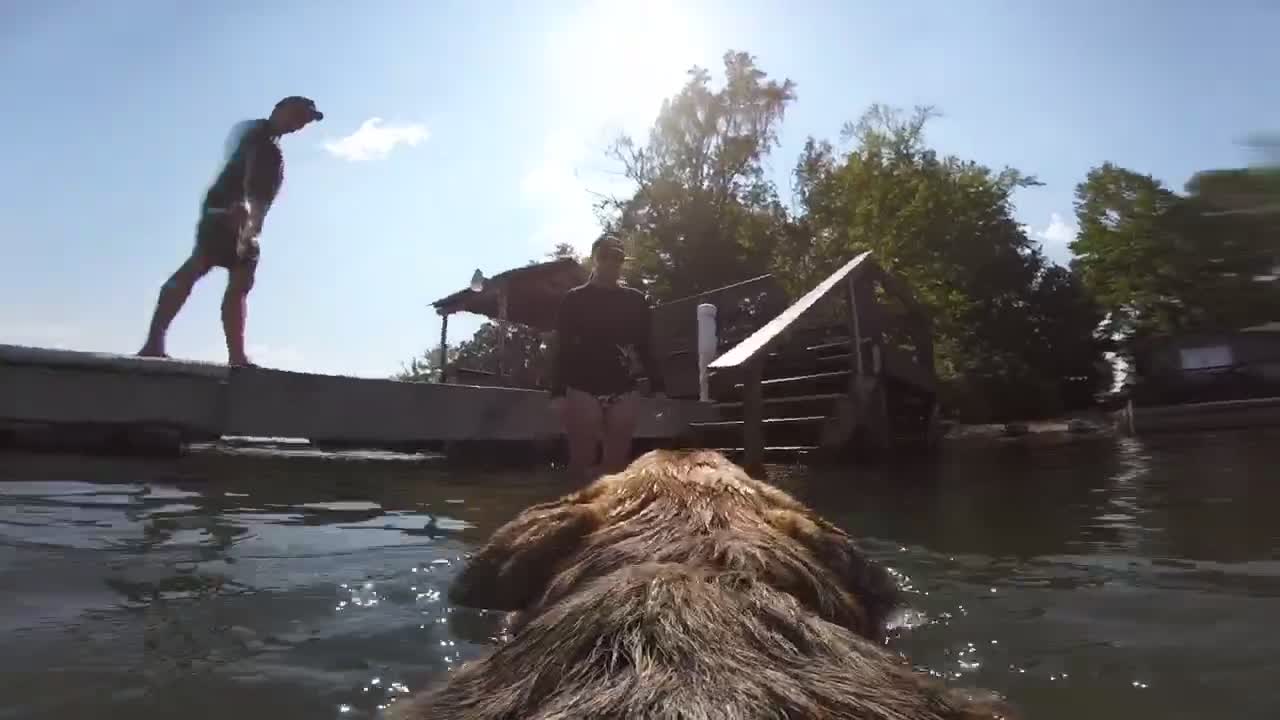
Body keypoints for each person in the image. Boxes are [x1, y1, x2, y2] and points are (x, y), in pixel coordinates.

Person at [137, 95, 324, 366]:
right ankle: (155, 342)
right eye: (297, 115)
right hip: (226, 212)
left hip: (247, 220)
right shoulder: (256, 135)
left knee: (240, 283)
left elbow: (262, 189)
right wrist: (239, 209)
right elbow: (245, 166)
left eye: (305, 120)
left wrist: (253, 222)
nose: (300, 123)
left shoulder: (272, 147)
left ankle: (236, 356)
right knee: (197, 266)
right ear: (278, 110)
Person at [550, 235, 665, 483]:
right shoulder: (574, 299)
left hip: (624, 387)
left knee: (615, 469)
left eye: (617, 257)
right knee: (581, 462)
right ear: (594, 258)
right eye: (605, 256)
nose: (611, 263)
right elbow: (563, 347)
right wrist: (557, 392)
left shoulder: (636, 301)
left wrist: (658, 386)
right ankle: (575, 514)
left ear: (623, 261)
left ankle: (607, 518)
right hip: (583, 386)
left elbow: (646, 345)